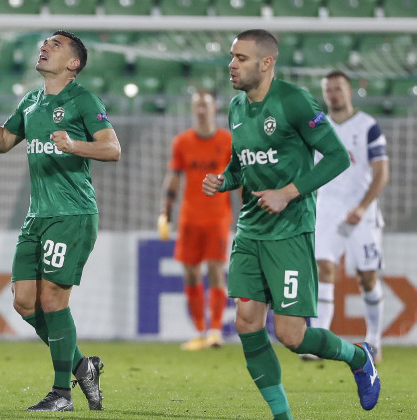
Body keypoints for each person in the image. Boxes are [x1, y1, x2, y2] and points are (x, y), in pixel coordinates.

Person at [202, 30, 380, 419]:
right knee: (247, 324)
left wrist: (289, 192)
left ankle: (358, 356)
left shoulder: (294, 101)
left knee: (291, 336)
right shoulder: (235, 107)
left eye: (242, 58)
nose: (231, 65)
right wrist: (223, 180)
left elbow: (337, 157)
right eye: (232, 57)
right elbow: (241, 165)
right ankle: (282, 416)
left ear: (266, 63)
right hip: (249, 232)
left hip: (290, 232)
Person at [0, 30, 120, 412]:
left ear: (73, 63)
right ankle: (83, 366)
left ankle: (61, 394)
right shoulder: (32, 102)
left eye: (55, 44)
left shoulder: (83, 100)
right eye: (44, 43)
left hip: (72, 213)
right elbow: (1, 142)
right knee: (23, 302)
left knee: (52, 300)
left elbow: (112, 148)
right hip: (37, 216)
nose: (44, 47)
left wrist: (74, 145)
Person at [304, 71, 388, 363]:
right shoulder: (317, 125)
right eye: (328, 90)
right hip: (326, 209)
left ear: (349, 91)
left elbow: (381, 172)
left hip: (360, 213)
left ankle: (374, 339)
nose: (333, 94)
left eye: (338, 88)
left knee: (367, 277)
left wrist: (363, 207)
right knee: (323, 268)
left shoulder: (367, 126)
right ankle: (320, 339)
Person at [158, 89, 233, 351]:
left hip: (217, 217)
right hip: (189, 218)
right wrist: (165, 211)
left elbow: (240, 179)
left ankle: (215, 331)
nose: (201, 110)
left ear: (215, 109)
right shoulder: (182, 142)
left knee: (215, 269)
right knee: (190, 274)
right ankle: (200, 330)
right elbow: (174, 177)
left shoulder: (227, 141)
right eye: (197, 105)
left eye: (206, 105)